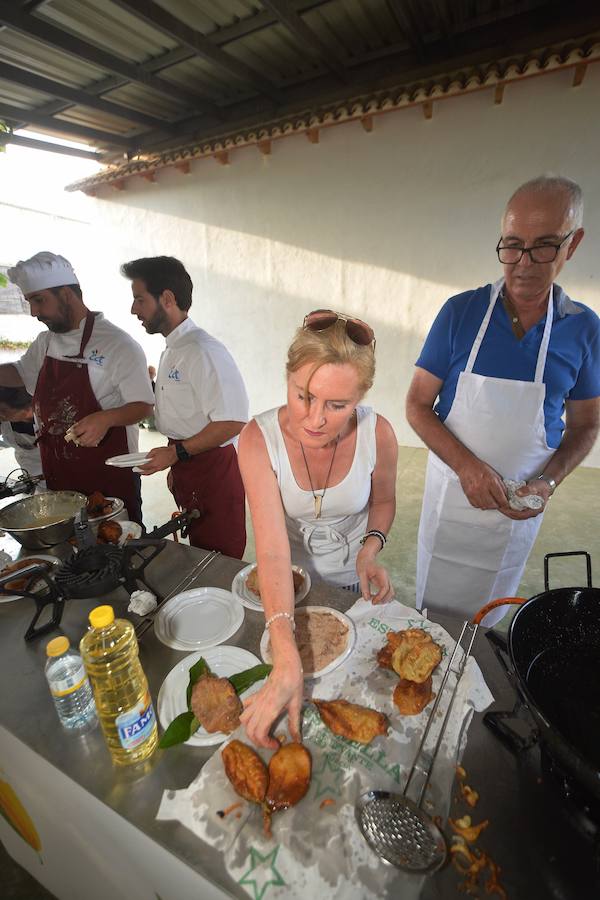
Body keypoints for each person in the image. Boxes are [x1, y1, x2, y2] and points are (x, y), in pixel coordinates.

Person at [406, 175, 600, 626]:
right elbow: (416, 405)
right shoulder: (461, 313)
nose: (524, 264)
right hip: (451, 500)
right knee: (432, 621)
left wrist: (548, 482)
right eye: (513, 246)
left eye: (544, 246)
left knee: (489, 618)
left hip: (519, 509)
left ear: (572, 244)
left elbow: (586, 424)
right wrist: (467, 467)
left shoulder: (583, 329)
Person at [237, 310, 398, 747]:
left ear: (360, 398)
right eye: (303, 395)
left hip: (352, 578)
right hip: (287, 586)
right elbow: (272, 551)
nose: (315, 419)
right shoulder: (257, 439)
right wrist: (284, 649)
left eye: (337, 405)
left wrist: (370, 549)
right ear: (287, 377)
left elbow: (383, 501)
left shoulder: (378, 434)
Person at [1, 252, 154, 523]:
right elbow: (21, 372)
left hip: (106, 480)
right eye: (29, 302)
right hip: (59, 477)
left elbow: (143, 405)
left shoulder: (117, 344)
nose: (34, 312)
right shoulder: (46, 342)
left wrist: (106, 418)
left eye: (39, 300)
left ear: (66, 294)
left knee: (114, 542)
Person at [124, 256, 249, 557]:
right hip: (187, 463)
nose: (133, 309)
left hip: (212, 470)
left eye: (140, 299)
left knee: (219, 558)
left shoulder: (203, 351)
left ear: (167, 299)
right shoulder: (173, 349)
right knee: (199, 549)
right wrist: (176, 462)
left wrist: (176, 453)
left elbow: (232, 422)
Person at [0, 385, 43, 479]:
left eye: (4, 411)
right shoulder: (5, 421)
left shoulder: (48, 418)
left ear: (27, 409)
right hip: (31, 476)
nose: (2, 415)